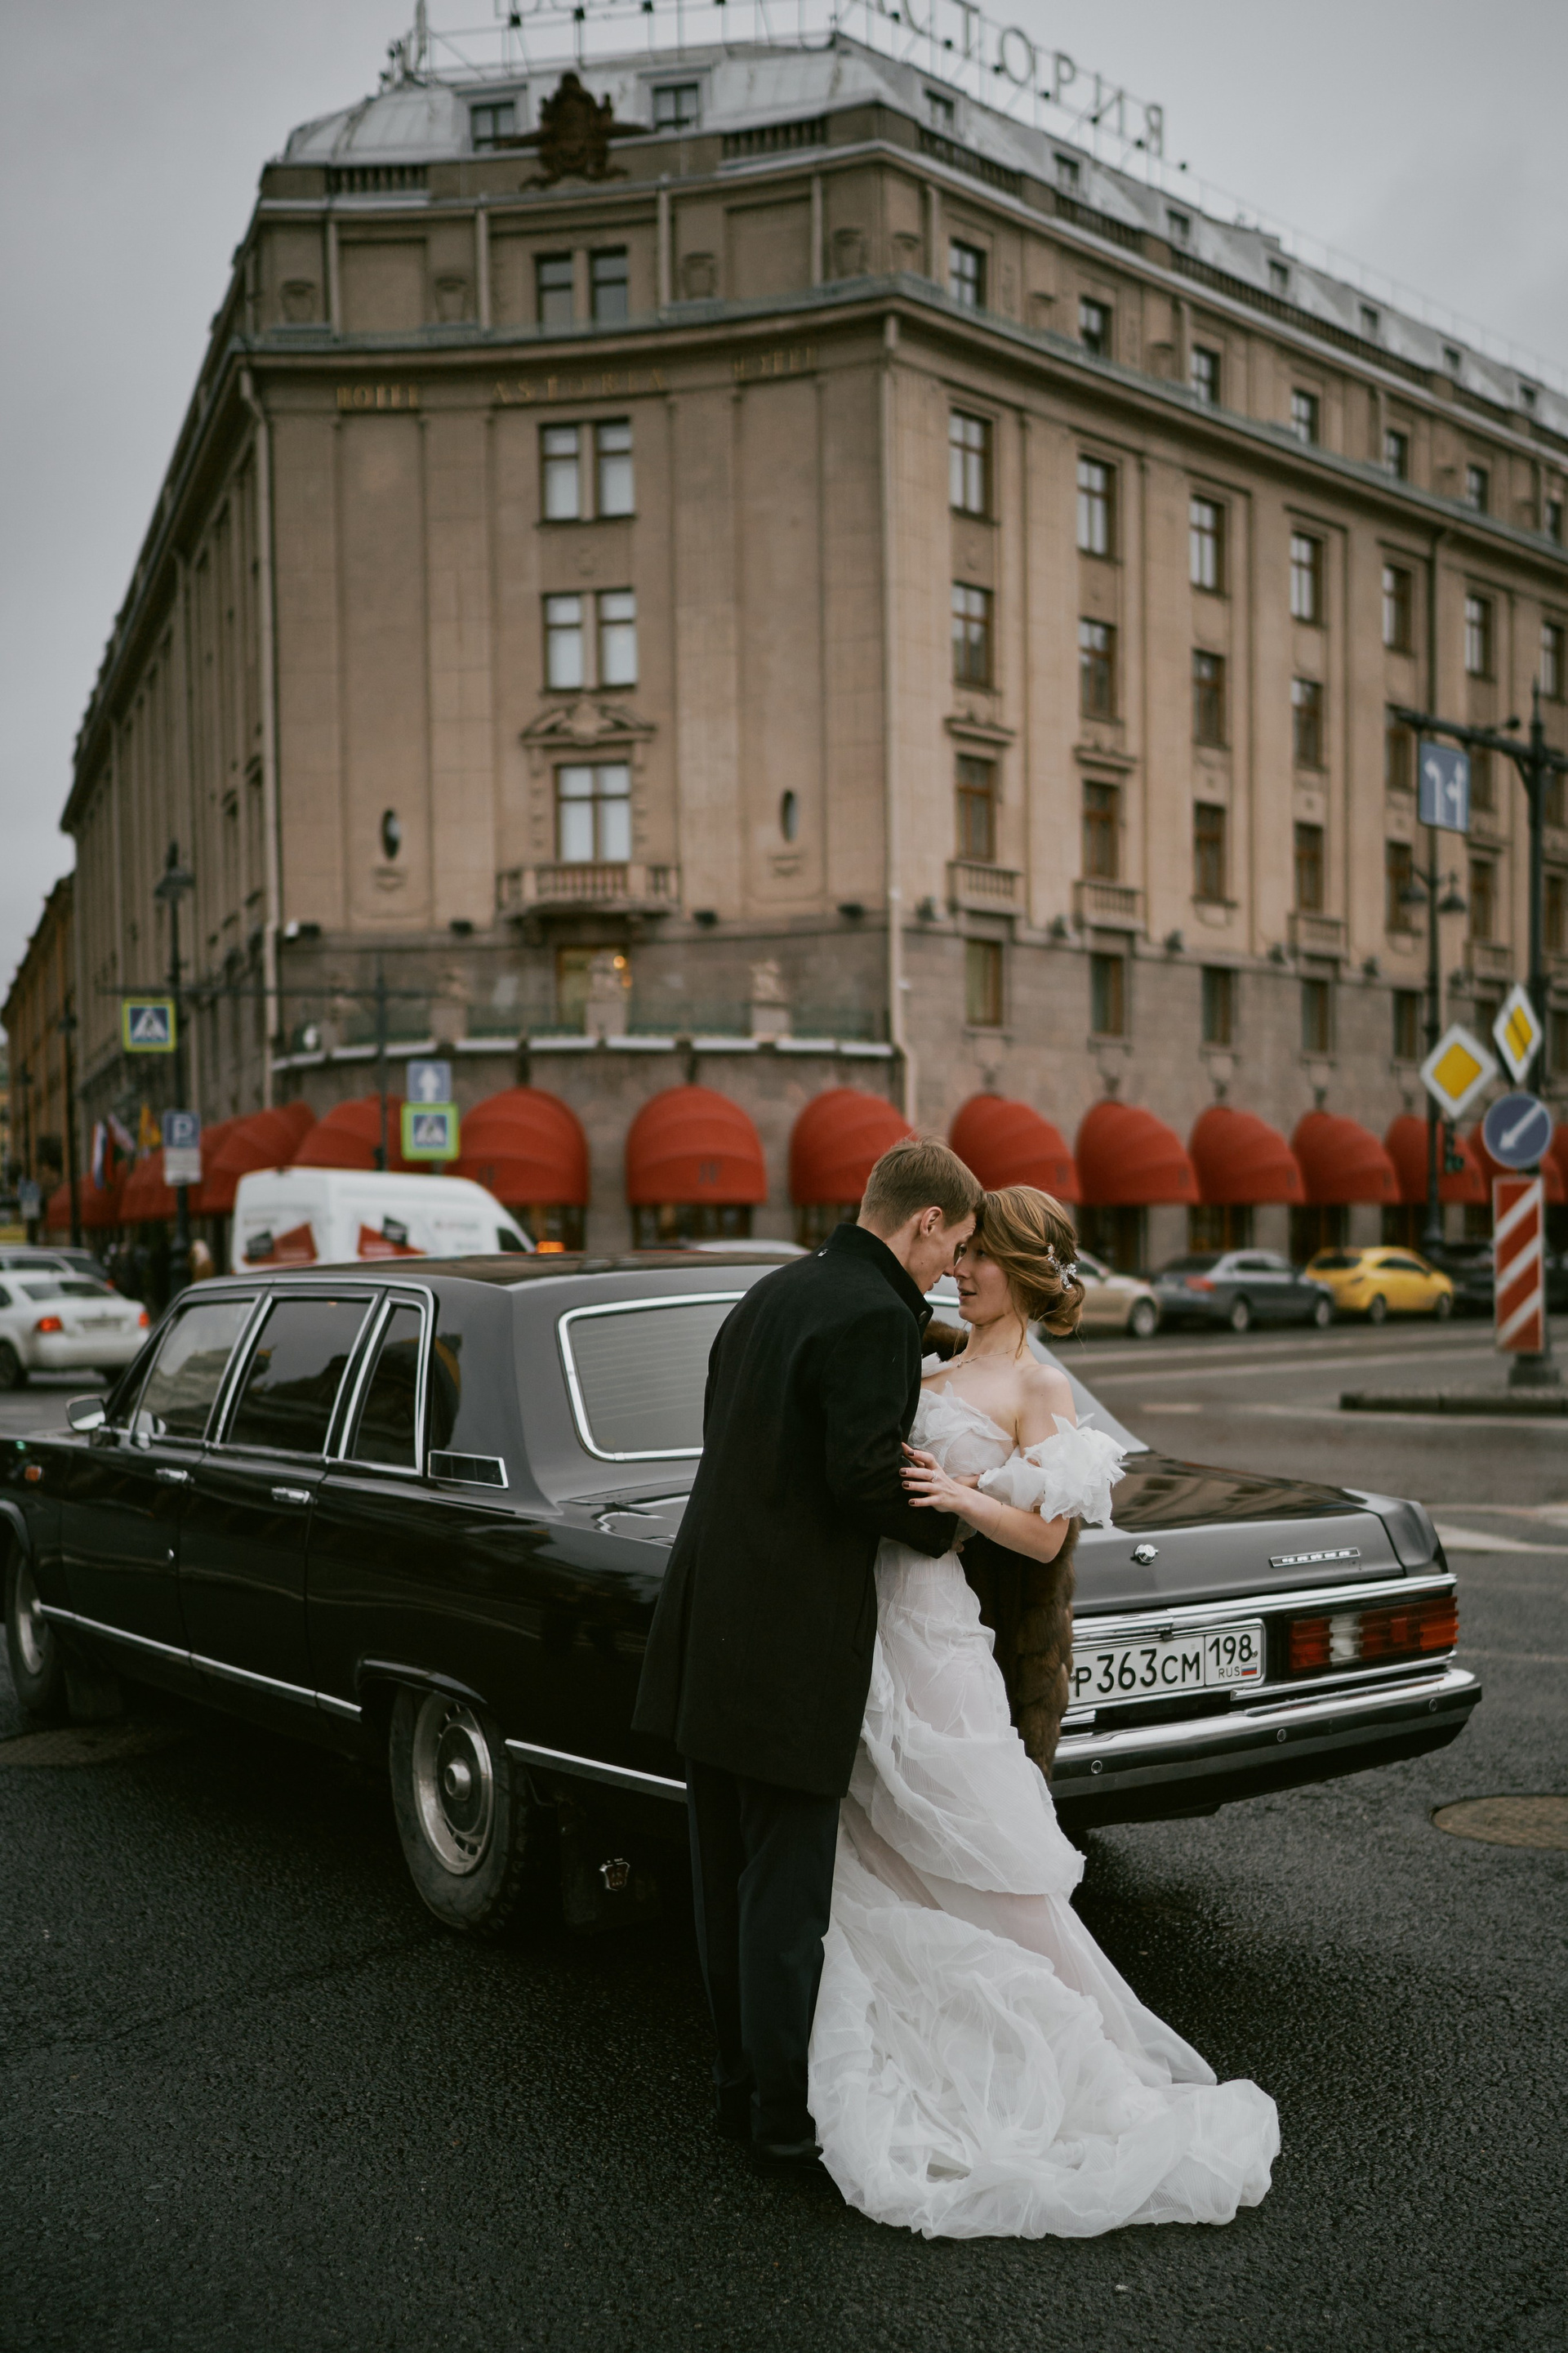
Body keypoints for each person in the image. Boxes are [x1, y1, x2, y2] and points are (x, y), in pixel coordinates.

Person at [808, 1183, 1280, 2236]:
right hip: (869, 1621)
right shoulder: (926, 1357)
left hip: (937, 1629)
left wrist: (960, 1497)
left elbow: (1046, 1536)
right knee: (880, 1836)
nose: (960, 1269)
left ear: (1023, 1270)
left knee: (985, 1845)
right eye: (960, 1252)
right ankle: (937, 2037)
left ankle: (1086, 2067)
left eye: (979, 1256)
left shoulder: (1039, 1384)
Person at [634, 1137, 983, 2165]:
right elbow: (860, 1476)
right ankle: (783, 2123)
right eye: (955, 1245)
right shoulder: (876, 1314)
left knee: (725, 1881)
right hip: (789, 1646)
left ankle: (737, 2090)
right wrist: (952, 1519)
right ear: (924, 1220)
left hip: (707, 1624)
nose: (953, 1267)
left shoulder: (767, 1294)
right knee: (785, 1902)